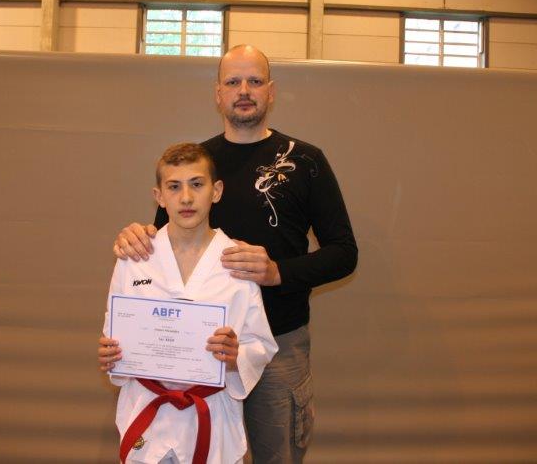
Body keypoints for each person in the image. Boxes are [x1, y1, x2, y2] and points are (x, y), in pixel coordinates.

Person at [100, 45, 358, 463]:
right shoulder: (198, 163)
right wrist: (135, 236)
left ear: (271, 91)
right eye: (233, 82)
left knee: (277, 456)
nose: (244, 90)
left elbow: (344, 253)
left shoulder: (304, 160)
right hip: (198, 349)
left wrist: (277, 272)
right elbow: (164, 239)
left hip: (279, 342)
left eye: (255, 81)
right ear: (218, 93)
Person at [101, 142, 278, 464]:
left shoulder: (238, 261)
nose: (185, 197)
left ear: (216, 191)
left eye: (197, 184)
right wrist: (112, 354)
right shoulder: (135, 258)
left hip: (211, 415)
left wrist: (235, 357)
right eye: (174, 187)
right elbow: (114, 334)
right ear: (159, 196)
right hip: (147, 411)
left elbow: (260, 344)